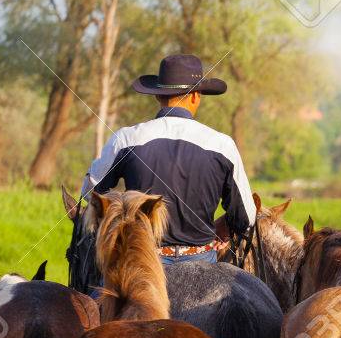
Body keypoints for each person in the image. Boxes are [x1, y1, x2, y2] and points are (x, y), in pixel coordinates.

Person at [80, 53, 256, 265]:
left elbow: (90, 194)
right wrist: (226, 225)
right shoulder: (223, 145)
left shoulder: (126, 139)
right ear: (195, 97)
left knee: (93, 298)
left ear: (157, 95)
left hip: (142, 261)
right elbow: (247, 219)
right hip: (202, 260)